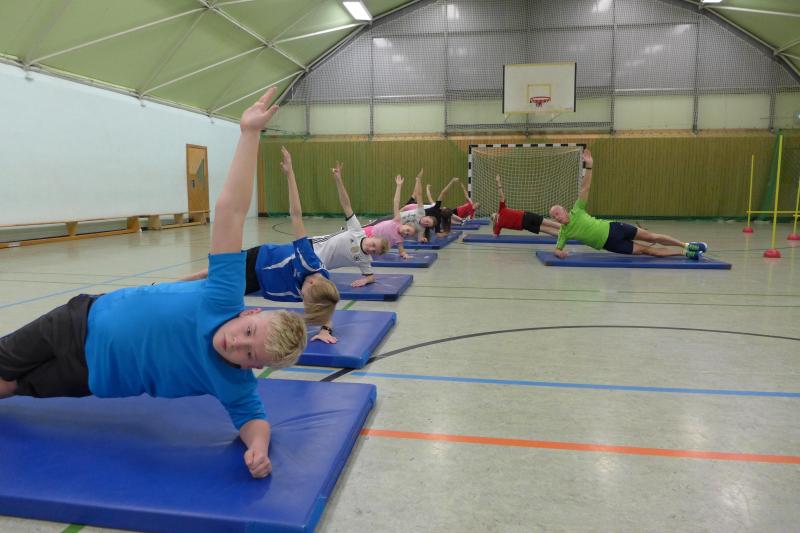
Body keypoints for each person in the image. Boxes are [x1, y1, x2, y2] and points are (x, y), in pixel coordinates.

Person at [0, 88, 307, 479]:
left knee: (9, 386)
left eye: (249, 354)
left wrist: (258, 448)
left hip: (89, 377)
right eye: (248, 332)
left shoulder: (232, 381)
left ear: (256, 367)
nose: (236, 344)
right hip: (78, 322)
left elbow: (253, 420)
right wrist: (249, 135)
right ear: (250, 313)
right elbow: (231, 212)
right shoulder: (223, 296)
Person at [181, 147, 341, 344]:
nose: (303, 299)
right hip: (258, 262)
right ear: (312, 283)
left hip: (261, 282)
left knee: (214, 284)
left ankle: (179, 292)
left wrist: (326, 330)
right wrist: (290, 173)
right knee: (209, 278)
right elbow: (296, 214)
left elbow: (326, 308)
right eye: (305, 298)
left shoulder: (324, 289)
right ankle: (168, 289)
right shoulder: (307, 260)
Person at [549, 148, 707, 259]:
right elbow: (557, 249)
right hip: (611, 244)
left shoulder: (577, 210)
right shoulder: (564, 232)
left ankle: (686, 245)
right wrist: (559, 253)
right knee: (647, 251)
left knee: (651, 237)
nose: (556, 217)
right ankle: (685, 253)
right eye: (553, 217)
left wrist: (589, 166)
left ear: (564, 210)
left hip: (614, 228)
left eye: (557, 213)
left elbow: (585, 187)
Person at [309, 162, 390, 288]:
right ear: (372, 237)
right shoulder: (357, 231)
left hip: (316, 267)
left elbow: (371, 276)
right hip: (311, 247)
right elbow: (346, 204)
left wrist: (366, 280)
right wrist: (338, 179)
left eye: (374, 251)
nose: (371, 249)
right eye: (373, 244)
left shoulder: (365, 260)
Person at [363, 174, 417, 259]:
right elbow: (396, 202)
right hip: (369, 231)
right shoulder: (397, 220)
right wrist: (399, 186)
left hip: (373, 243)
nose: (405, 233)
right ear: (405, 224)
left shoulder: (399, 239)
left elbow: (401, 251)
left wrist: (405, 255)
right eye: (407, 230)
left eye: (407, 235)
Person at [491, 174, 561, 237]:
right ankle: (563, 234)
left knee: (547, 226)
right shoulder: (500, 217)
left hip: (525, 219)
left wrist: (498, 182)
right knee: (547, 226)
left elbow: (495, 234)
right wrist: (498, 182)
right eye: (493, 216)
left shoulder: (500, 216)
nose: (495, 215)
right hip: (525, 220)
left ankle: (564, 232)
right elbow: (495, 234)